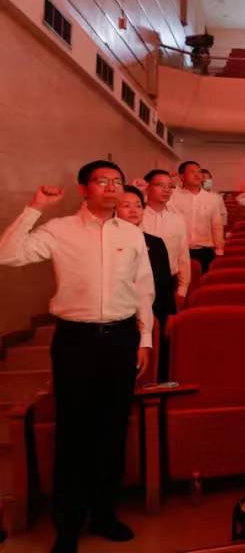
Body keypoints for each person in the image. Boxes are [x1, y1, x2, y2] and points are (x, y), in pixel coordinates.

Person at [0, 161, 153, 553]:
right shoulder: (60, 229)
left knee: (113, 429)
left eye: (117, 182)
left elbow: (143, 288)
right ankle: (68, 524)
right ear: (84, 188)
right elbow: (8, 254)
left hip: (121, 338)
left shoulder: (132, 233)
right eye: (102, 181)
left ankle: (104, 514)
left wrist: (145, 340)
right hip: (76, 340)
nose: (111, 187)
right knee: (73, 431)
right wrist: (36, 208)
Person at [116, 186, 174, 380]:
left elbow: (164, 284)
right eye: (126, 206)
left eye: (138, 205)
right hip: (120, 316)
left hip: (153, 314)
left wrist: (168, 316)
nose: (134, 211)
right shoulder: (104, 242)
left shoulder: (155, 243)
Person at [140, 169, 191, 306]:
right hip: (140, 283)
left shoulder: (177, 220)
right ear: (147, 188)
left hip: (168, 283)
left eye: (170, 186)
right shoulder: (136, 217)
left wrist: (183, 288)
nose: (166, 190)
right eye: (160, 185)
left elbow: (183, 256)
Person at [170, 160, 224, 272]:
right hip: (179, 250)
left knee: (204, 281)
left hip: (204, 250)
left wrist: (219, 249)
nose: (197, 175)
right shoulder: (172, 196)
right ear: (182, 176)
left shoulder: (212, 198)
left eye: (199, 172)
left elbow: (216, 226)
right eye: (192, 172)